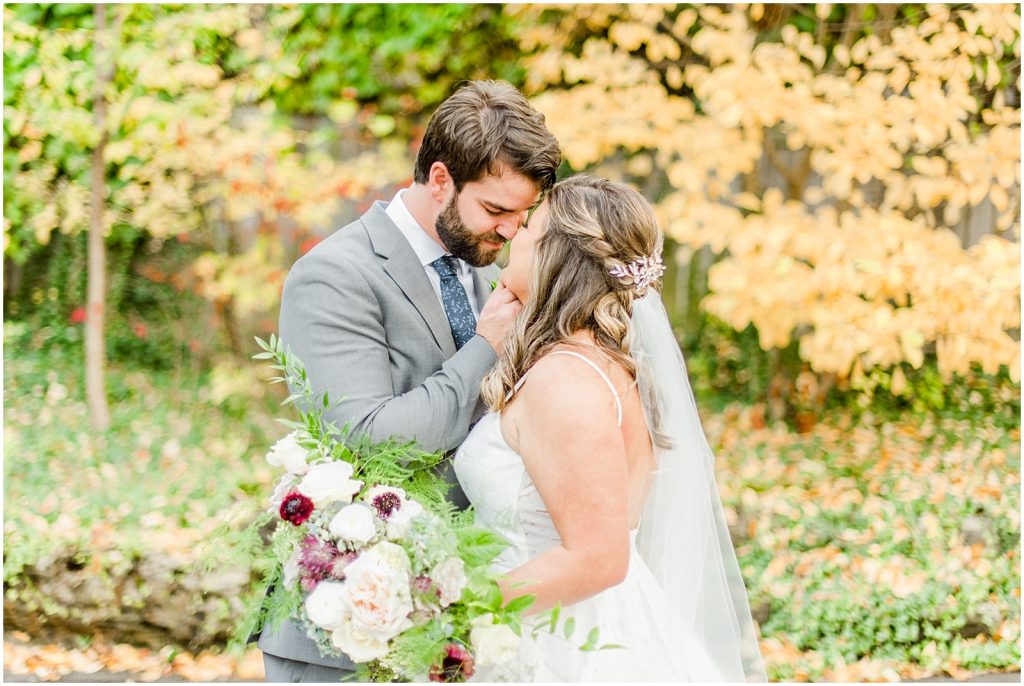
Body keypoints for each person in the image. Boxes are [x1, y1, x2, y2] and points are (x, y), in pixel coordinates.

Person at [252, 80, 561, 682]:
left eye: (522, 216)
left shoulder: (481, 266)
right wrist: (487, 345)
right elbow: (371, 439)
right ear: (440, 179)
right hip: (345, 631)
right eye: (496, 210)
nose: (509, 232)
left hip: (455, 619)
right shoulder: (336, 274)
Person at [454, 175, 767, 682]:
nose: (514, 235)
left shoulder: (566, 378)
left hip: (564, 644)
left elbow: (598, 557)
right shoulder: (597, 362)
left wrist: (458, 615)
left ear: (556, 258)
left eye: (530, 226)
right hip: (567, 623)